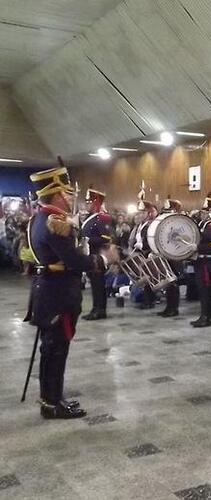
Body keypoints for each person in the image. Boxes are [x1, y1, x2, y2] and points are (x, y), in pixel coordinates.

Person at [27, 165, 119, 419]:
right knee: (56, 350)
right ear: (56, 195)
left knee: (51, 349)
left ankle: (51, 398)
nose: (70, 198)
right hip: (58, 294)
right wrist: (105, 260)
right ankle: (52, 403)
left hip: (48, 291)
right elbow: (77, 262)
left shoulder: (38, 218)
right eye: (66, 193)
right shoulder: (55, 222)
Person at [190, 194, 211, 328]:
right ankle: (203, 316)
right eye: (202, 211)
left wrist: (198, 247)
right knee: (202, 291)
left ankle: (206, 317)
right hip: (201, 262)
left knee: (206, 292)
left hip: (207, 264)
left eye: (205, 211)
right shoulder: (204, 224)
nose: (202, 213)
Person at [81, 187, 113, 320]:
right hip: (90, 256)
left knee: (98, 285)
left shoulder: (101, 219)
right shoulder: (90, 219)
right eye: (87, 202)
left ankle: (100, 310)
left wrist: (89, 239)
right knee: (94, 285)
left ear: (96, 203)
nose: (87, 204)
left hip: (98, 256)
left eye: (90, 202)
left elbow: (106, 238)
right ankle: (95, 308)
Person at [156, 196, 184, 318]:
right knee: (168, 282)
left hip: (175, 256)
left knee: (174, 283)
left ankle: (174, 308)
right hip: (166, 255)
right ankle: (169, 306)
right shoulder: (166, 224)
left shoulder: (181, 224)